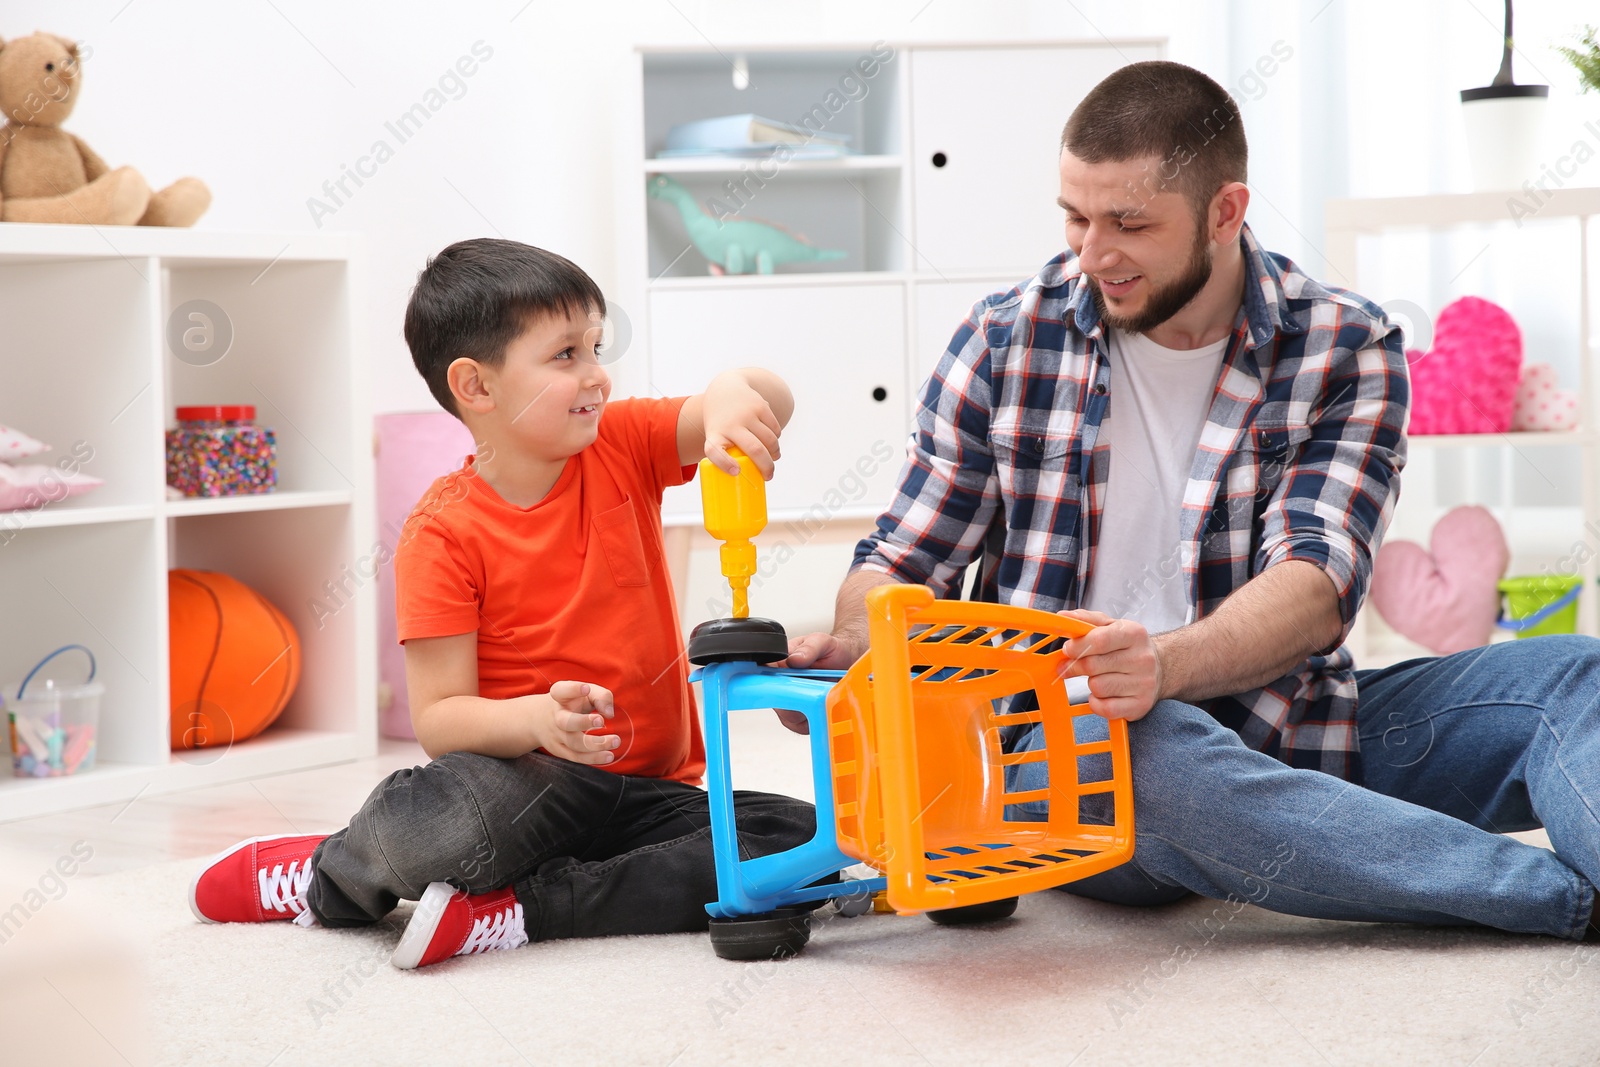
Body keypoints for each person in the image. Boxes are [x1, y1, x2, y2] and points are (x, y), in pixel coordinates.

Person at [787, 60, 1600, 941]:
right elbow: (903, 563)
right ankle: (1563, 901)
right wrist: (856, 645)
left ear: (1225, 212)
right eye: (1075, 216)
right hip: (1067, 757)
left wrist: (1163, 667)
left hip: (1293, 727)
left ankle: (1342, 834)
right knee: (1145, 749)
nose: (1092, 253)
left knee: (1572, 676)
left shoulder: (1345, 345)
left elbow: (1314, 584)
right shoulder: (1004, 338)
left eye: (1128, 222)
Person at [189, 238, 818, 968]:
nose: (597, 376)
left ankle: (519, 910)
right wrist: (537, 721)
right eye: (566, 355)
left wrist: (736, 390)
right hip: (526, 783)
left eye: (596, 346)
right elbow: (440, 719)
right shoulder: (440, 532)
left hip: (651, 793)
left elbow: (767, 398)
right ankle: (328, 873)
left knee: (796, 841)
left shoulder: (624, 444)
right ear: (476, 387)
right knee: (430, 824)